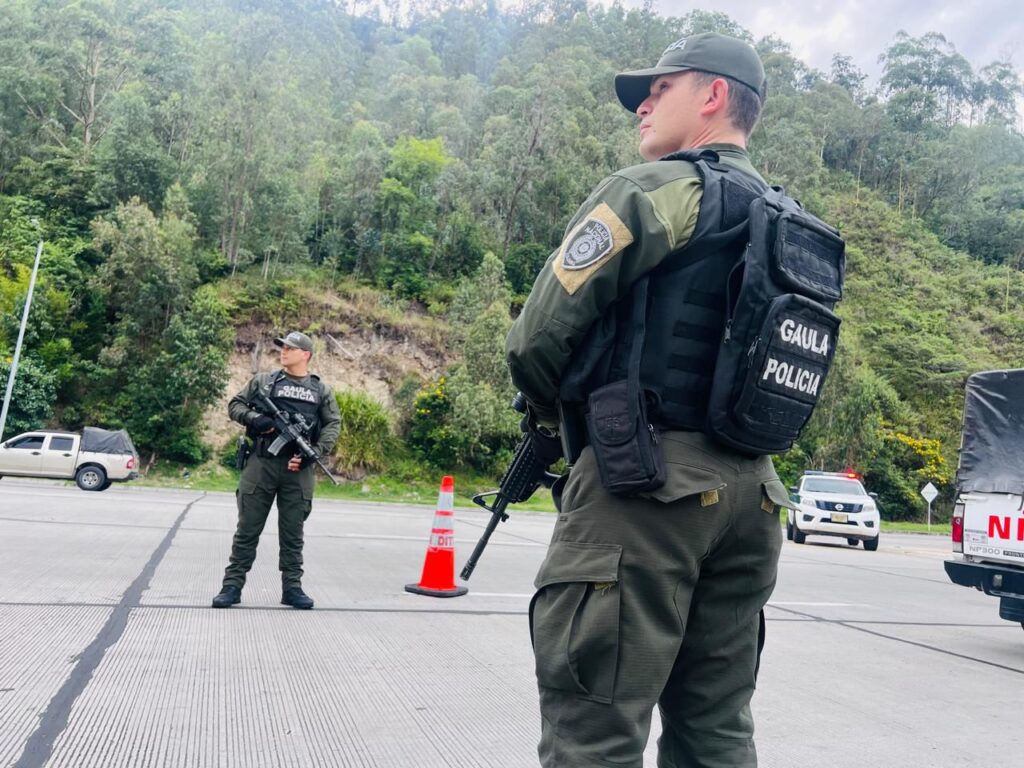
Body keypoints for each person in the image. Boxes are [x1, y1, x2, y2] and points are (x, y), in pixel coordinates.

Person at [506, 33, 795, 767]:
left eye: (661, 89)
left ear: (714, 96)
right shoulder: (789, 222)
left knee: (592, 735)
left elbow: (535, 339)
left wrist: (562, 425)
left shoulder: (652, 191)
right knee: (716, 731)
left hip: (646, 485)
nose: (643, 105)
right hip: (756, 497)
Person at [212, 331, 341, 610]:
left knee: (293, 533)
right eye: (282, 347)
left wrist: (313, 454)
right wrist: (255, 418)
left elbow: (333, 424)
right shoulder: (264, 382)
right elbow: (235, 405)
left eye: (290, 348)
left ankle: (292, 588)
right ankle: (231, 586)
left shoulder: (320, 390)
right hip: (262, 463)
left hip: (297, 468)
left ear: (305, 355)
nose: (283, 351)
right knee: (247, 529)